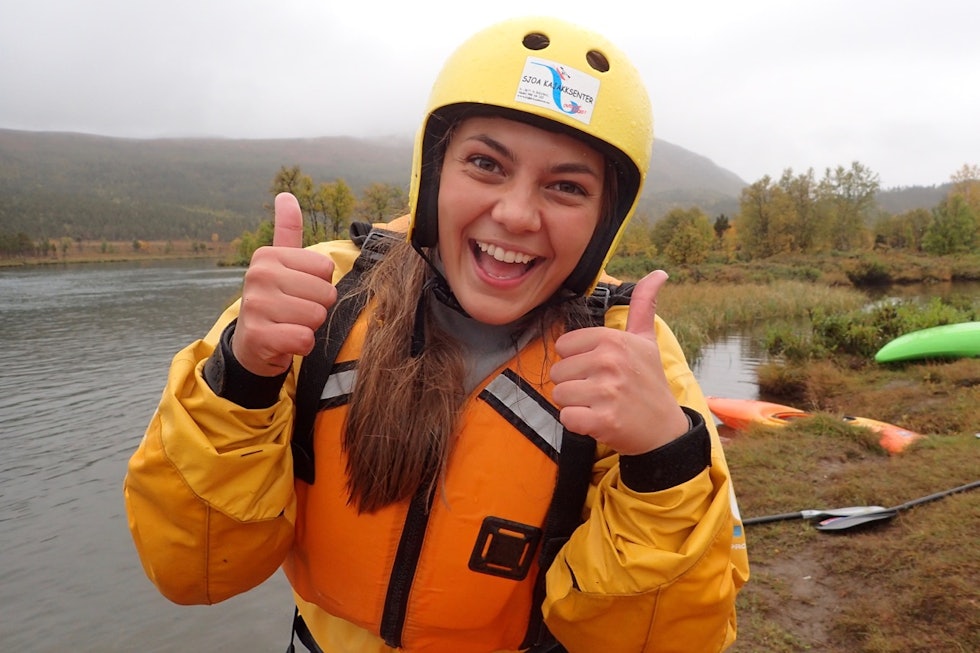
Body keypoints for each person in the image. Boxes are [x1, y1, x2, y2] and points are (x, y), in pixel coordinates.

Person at [124, 15, 749, 653]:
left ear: (604, 219)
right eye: (485, 164)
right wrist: (246, 375)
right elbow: (191, 567)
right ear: (435, 172)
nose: (515, 214)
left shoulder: (632, 358)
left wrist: (663, 462)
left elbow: (665, 643)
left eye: (567, 186)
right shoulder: (313, 297)